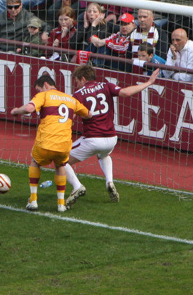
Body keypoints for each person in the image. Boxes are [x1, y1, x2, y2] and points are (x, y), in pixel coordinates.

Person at [63, 63, 159, 206]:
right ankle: (109, 181)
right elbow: (126, 93)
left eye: (77, 81)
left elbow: (70, 119)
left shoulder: (78, 95)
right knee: (104, 155)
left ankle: (77, 187)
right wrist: (149, 82)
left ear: (83, 79)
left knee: (61, 159)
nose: (76, 85)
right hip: (111, 139)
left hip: (92, 139)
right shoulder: (106, 85)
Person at [9, 73, 89, 214]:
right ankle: (60, 204)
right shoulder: (71, 99)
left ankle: (33, 200)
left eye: (39, 90)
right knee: (60, 166)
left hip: (46, 142)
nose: (38, 93)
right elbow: (88, 114)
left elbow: (28, 109)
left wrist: (16, 111)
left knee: (35, 161)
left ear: (45, 85)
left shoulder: (45, 95)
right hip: (64, 145)